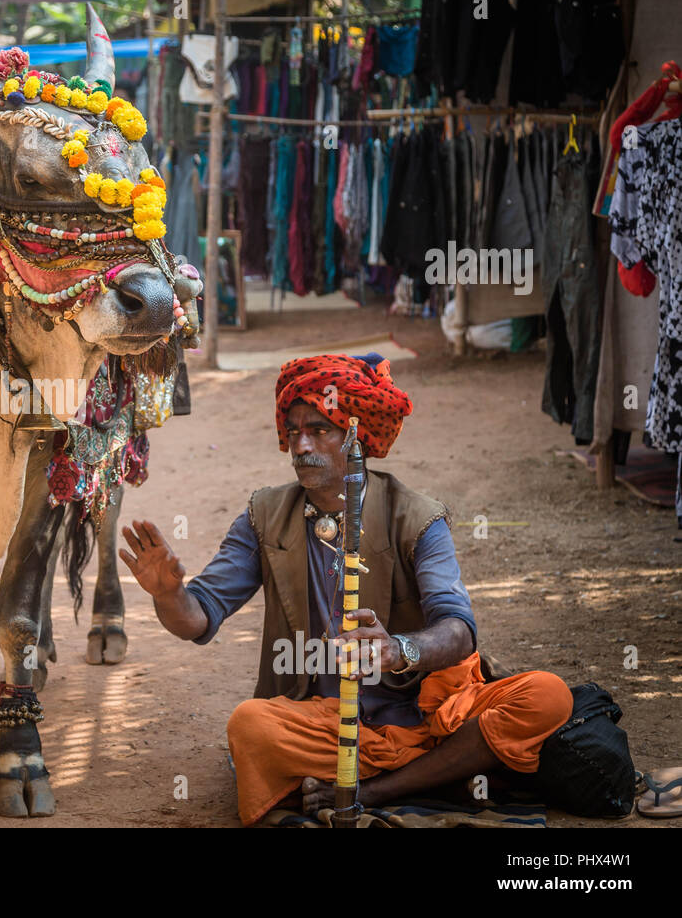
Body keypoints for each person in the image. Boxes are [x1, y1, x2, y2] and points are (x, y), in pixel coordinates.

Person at [118, 353, 574, 826]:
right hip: (324, 724)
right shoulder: (264, 515)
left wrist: (398, 650)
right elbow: (198, 619)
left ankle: (376, 790)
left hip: (424, 717)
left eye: (319, 430)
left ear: (355, 437)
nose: (301, 445)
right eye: (293, 432)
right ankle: (446, 772)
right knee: (250, 726)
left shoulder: (417, 517)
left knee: (548, 695)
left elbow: (459, 631)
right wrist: (169, 594)